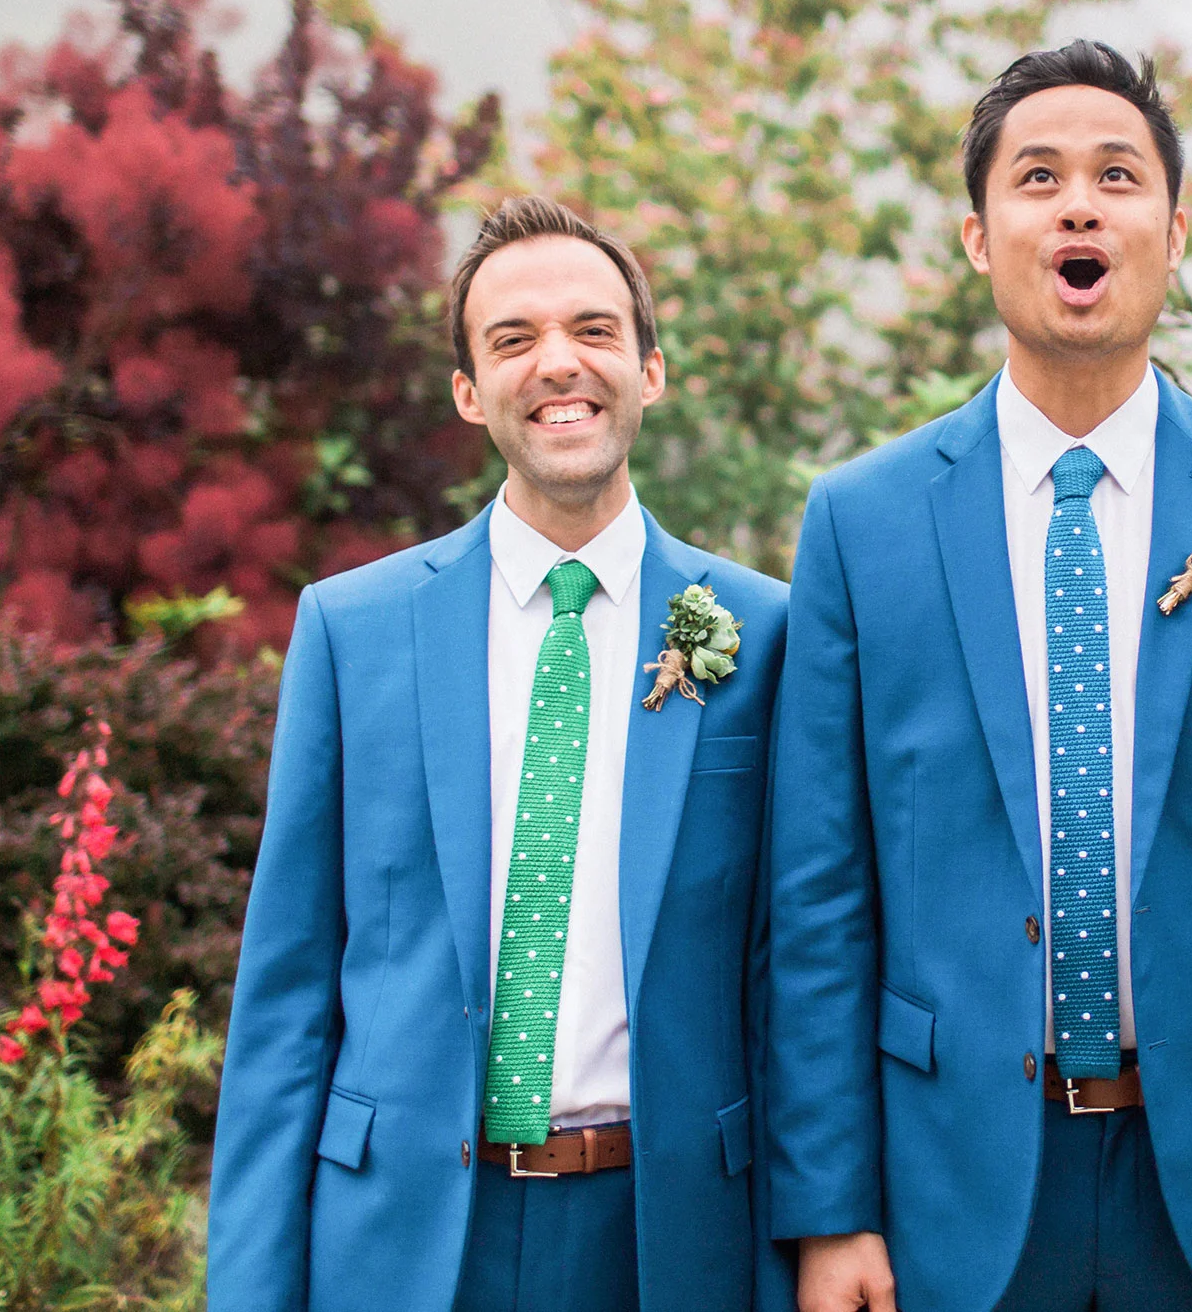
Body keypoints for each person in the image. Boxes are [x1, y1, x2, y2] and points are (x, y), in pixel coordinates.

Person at [767, 40, 1192, 1312]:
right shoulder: (861, 523)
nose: (1078, 203)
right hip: (948, 1192)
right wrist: (827, 1212)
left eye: (1116, 176)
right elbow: (818, 898)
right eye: (1037, 177)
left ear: (1172, 232)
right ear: (978, 236)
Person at [209, 196, 792, 1312]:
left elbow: (791, 981)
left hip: (669, 1239)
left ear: (650, 370)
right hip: (404, 1241)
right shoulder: (351, 632)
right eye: (512, 340)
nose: (557, 365)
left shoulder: (764, 637)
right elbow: (285, 995)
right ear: (469, 393)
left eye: (593, 330)